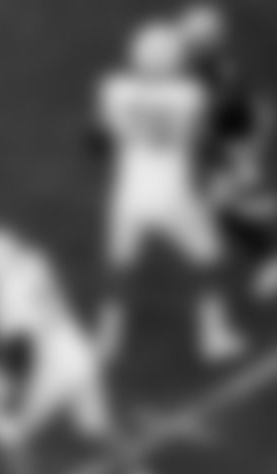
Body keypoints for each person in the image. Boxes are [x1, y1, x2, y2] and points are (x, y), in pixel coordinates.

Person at [0, 227, 167, 474]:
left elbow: (21, 352)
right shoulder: (34, 262)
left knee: (4, 429)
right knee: (99, 426)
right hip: (78, 355)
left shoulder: (8, 298)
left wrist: (14, 395)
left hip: (48, 368)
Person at [95, 21, 246, 366]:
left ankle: (108, 337)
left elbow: (105, 134)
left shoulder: (112, 90)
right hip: (169, 195)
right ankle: (214, 335)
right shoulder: (190, 95)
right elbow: (197, 133)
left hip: (128, 194)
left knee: (119, 266)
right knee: (208, 258)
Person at [175, 4, 277, 301]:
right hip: (229, 143)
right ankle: (257, 206)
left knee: (221, 208)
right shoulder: (207, 68)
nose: (182, 44)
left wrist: (241, 162)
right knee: (223, 203)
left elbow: (234, 123)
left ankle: (273, 260)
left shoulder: (221, 80)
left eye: (189, 40)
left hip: (236, 147)